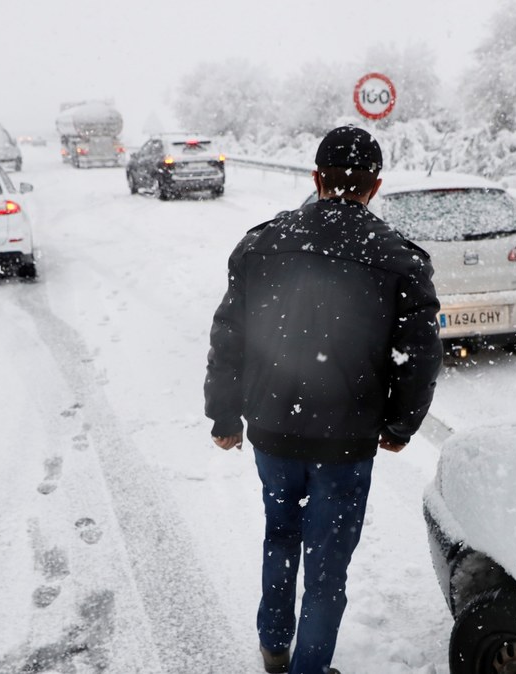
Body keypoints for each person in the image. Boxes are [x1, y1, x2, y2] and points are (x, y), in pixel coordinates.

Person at [204, 126, 443, 674]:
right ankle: (309, 666)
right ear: (375, 186)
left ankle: (273, 646)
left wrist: (224, 415)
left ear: (316, 177)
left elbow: (228, 336)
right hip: (346, 442)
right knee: (327, 564)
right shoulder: (399, 260)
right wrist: (401, 425)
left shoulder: (263, 242)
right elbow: (420, 355)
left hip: (272, 430)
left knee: (280, 535)